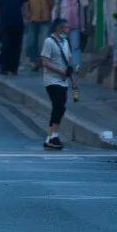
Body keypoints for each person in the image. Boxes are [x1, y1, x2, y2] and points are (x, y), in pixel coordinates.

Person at [40, 17, 74, 150]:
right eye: (65, 27)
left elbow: (68, 59)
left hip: (63, 81)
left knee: (61, 108)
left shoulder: (65, 42)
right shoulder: (49, 42)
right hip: (52, 80)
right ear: (58, 28)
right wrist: (59, 71)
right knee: (58, 106)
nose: (67, 30)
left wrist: (72, 71)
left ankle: (51, 137)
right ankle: (52, 135)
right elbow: (45, 62)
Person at [0, 0, 28, 75]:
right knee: (5, 45)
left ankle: (14, 68)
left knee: (17, 46)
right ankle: (4, 67)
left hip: (18, 22)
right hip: (5, 23)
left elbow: (25, 5)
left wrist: (26, 17)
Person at [24, 0, 54, 69]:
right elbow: (25, 6)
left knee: (43, 40)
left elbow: (52, 5)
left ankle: (43, 60)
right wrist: (26, 16)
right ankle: (34, 60)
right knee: (32, 40)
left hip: (45, 20)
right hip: (32, 19)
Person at [54, 0, 84, 70]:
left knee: (75, 47)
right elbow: (55, 13)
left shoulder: (77, 1)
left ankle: (76, 65)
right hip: (62, 28)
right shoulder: (61, 0)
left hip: (74, 27)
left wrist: (82, 27)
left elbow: (81, 14)